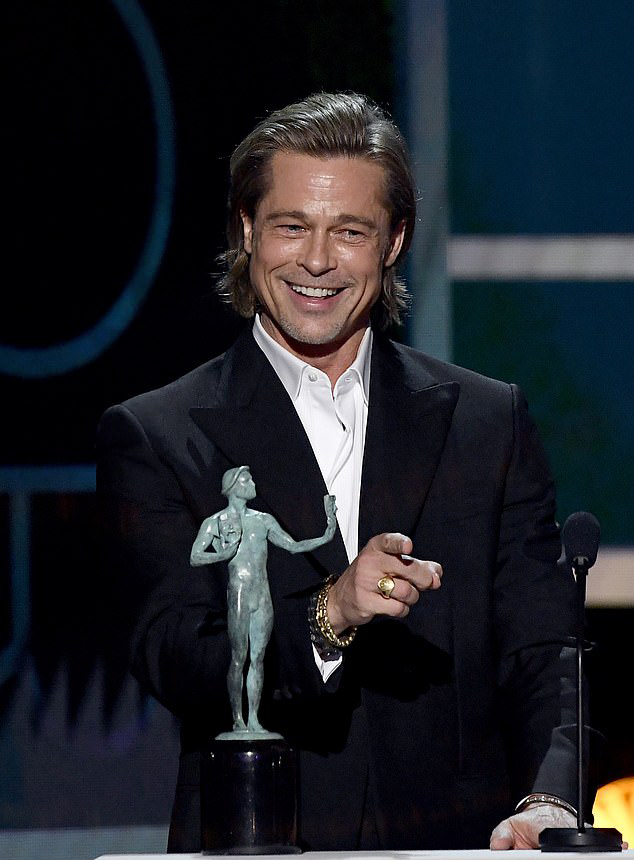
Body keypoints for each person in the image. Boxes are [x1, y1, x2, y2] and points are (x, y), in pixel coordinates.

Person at [97, 92, 583, 852]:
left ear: (393, 242)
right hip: (260, 837)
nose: (317, 261)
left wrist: (551, 799)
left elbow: (545, 648)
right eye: (292, 226)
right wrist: (329, 613)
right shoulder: (158, 434)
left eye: (350, 231)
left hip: (461, 846)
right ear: (247, 229)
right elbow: (175, 655)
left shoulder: (487, 421)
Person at [190, 465, 337, 736]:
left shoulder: (263, 520)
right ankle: (237, 719)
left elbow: (292, 546)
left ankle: (254, 719)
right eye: (247, 480)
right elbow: (195, 556)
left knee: (258, 658)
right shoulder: (215, 522)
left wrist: (326, 534)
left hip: (262, 593)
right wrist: (221, 555)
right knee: (239, 657)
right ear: (233, 487)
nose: (253, 484)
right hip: (239, 592)